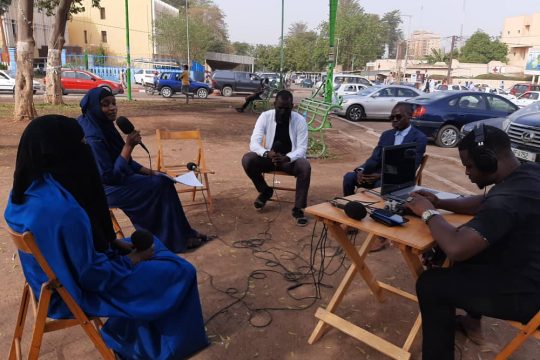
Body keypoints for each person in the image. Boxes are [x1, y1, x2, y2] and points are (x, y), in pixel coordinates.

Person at [4, 115, 209, 359]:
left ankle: (140, 332)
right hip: (73, 293)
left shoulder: (26, 192)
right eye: (81, 144)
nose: (86, 150)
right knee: (181, 271)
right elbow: (93, 276)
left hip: (45, 283)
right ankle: (159, 347)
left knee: (154, 246)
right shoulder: (63, 212)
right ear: (61, 151)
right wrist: (133, 259)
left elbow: (73, 251)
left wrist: (111, 244)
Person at [404, 125, 540, 360]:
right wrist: (438, 202)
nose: (467, 172)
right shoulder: (526, 173)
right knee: (450, 251)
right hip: (527, 266)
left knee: (431, 284)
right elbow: (483, 203)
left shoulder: (508, 200)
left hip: (529, 295)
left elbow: (458, 248)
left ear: (489, 161)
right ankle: (472, 321)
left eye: (469, 166)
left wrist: (428, 214)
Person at [78, 87, 208, 253]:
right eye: (105, 105)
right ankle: (169, 241)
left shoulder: (103, 126)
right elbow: (110, 176)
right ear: (94, 108)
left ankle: (183, 234)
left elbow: (125, 162)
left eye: (114, 103)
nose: (112, 108)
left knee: (163, 180)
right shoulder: (93, 137)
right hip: (104, 190)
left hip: (117, 179)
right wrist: (128, 146)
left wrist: (152, 172)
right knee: (158, 187)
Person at [242, 90, 311, 226]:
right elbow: (254, 143)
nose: (283, 112)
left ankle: (298, 208)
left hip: (290, 161)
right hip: (269, 158)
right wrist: (266, 153)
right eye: (280, 108)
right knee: (247, 159)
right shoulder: (265, 116)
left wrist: (287, 158)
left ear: (292, 106)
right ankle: (265, 191)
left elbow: (302, 148)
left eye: (287, 108)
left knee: (305, 166)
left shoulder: (300, 120)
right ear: (274, 105)